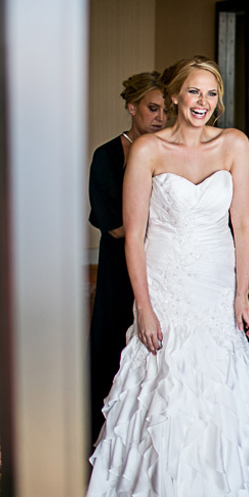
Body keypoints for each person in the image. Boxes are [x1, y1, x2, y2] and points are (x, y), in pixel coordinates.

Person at [83, 58, 249, 497]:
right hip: (164, 281)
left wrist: (241, 294)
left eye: (211, 94)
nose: (202, 103)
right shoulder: (146, 150)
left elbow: (245, 226)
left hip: (214, 282)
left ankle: (227, 493)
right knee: (162, 381)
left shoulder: (234, 144)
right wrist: (143, 306)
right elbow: (134, 237)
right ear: (173, 97)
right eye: (193, 93)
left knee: (219, 377)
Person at [88, 71, 165, 442]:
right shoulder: (106, 156)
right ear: (132, 107)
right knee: (116, 340)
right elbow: (117, 228)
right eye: (152, 108)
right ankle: (107, 430)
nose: (161, 117)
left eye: (167, 109)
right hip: (121, 264)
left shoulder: (172, 152)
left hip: (165, 264)